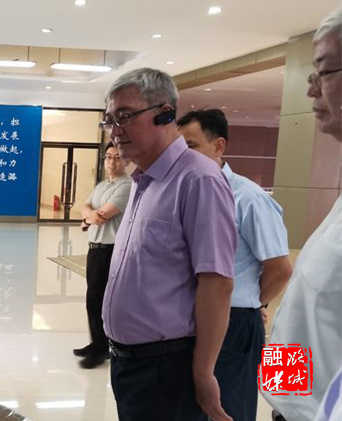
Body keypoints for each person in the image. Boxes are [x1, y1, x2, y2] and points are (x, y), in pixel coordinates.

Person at [100, 68, 237, 421]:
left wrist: (203, 372)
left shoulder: (198, 178)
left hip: (168, 368)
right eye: (110, 120)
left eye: (125, 116)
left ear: (164, 113)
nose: (115, 131)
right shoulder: (143, 179)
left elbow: (217, 282)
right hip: (129, 363)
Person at [177, 109, 293, 421]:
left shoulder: (248, 198)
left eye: (190, 146)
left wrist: (252, 302)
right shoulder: (187, 191)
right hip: (190, 319)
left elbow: (280, 268)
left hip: (234, 323)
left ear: (219, 146)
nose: (181, 156)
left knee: (229, 409)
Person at [266, 6, 342, 421]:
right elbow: (309, 312)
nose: (311, 90)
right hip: (288, 405)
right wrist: (279, 395)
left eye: (324, 72)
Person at [73, 142, 132, 369]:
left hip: (110, 250)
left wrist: (88, 218)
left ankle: (101, 348)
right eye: (108, 156)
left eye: (117, 157)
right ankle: (97, 342)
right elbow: (85, 207)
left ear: (126, 160)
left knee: (100, 300)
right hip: (95, 248)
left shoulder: (127, 185)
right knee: (93, 298)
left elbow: (104, 214)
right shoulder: (102, 185)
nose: (111, 161)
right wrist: (89, 216)